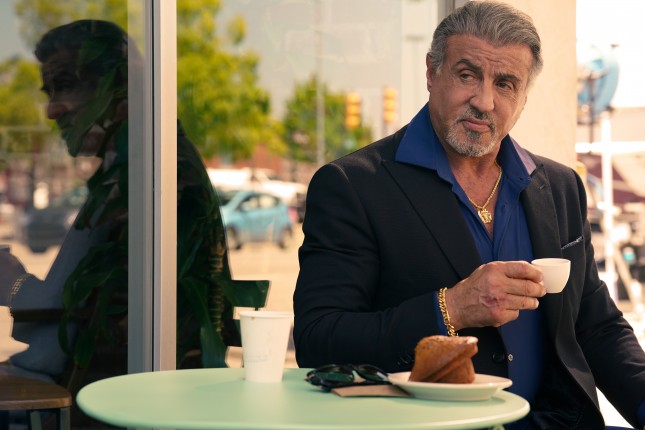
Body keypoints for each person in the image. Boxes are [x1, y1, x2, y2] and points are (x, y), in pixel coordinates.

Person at [293, 2, 645, 429]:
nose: (484, 101)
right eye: (467, 75)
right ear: (431, 72)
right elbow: (319, 339)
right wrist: (452, 307)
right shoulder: (353, 185)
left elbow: (597, 326)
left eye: (505, 84)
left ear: (523, 98)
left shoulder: (560, 186)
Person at [0, 20, 259, 389]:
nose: (52, 110)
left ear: (120, 86)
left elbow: (59, 331)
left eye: (68, 85)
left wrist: (12, 282)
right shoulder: (146, 164)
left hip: (113, 394)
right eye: (50, 91)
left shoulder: (146, 174)